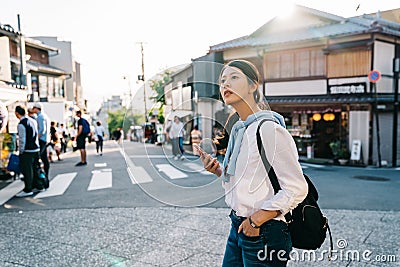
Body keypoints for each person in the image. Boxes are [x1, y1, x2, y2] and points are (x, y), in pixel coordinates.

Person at [197, 60, 308, 266]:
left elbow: (297, 188)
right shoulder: (240, 130)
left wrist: (256, 220)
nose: (225, 84)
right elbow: (248, 180)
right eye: (222, 80)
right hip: (237, 226)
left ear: (253, 85)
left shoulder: (268, 129)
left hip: (264, 231)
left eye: (234, 77)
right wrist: (219, 170)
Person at [14, 105, 44, 197]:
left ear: (17, 113)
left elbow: (22, 139)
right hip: (36, 148)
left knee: (27, 170)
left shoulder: (21, 124)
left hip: (27, 150)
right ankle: (39, 185)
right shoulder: (33, 121)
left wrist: (21, 151)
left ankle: (28, 189)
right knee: (36, 168)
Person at [32, 102, 50, 178]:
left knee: (38, 157)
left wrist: (36, 138)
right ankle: (45, 174)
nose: (33, 109)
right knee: (44, 157)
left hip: (41, 140)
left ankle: (40, 175)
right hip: (45, 139)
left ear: (37, 108)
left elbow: (42, 129)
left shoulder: (40, 116)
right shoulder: (45, 116)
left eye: (34, 108)